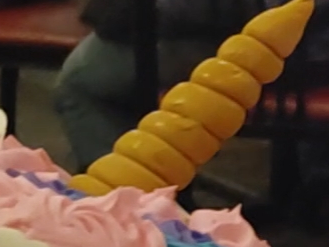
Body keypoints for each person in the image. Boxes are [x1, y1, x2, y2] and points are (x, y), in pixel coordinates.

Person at [55, 0, 329, 174]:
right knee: (101, 58)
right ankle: (138, 194)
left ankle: (126, 204)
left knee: (81, 79)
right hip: (274, 38)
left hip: (279, 47)